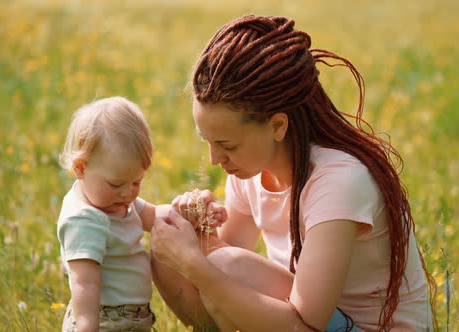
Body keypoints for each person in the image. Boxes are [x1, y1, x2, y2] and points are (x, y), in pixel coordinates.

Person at [150, 15, 436, 332]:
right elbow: (221, 264)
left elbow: (306, 325)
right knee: (172, 243)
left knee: (222, 267)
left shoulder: (338, 182)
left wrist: (194, 264)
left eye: (226, 144)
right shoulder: (250, 170)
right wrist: (197, 232)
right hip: (317, 321)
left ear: (277, 126)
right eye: (208, 142)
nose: (215, 159)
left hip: (359, 327)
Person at [57, 97, 160, 331]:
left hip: (132, 318)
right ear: (81, 168)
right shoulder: (84, 220)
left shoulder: (117, 203)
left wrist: (186, 214)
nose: (127, 193)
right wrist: (86, 326)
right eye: (116, 184)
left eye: (137, 182)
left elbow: (154, 216)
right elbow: (84, 283)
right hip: (104, 321)